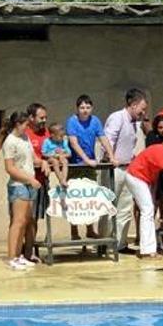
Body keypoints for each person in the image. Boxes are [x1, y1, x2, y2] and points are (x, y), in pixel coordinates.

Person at [102, 88, 147, 253]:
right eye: (142, 108)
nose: (143, 112)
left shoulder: (134, 123)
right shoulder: (117, 117)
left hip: (128, 168)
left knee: (125, 207)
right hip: (114, 169)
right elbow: (108, 139)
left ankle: (120, 243)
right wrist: (111, 157)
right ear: (133, 105)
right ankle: (105, 243)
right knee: (109, 206)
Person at [66, 94, 113, 240]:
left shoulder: (95, 121)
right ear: (77, 108)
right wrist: (86, 160)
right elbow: (74, 143)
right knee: (74, 198)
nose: (85, 110)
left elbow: (103, 138)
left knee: (90, 197)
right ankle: (74, 230)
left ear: (91, 108)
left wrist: (111, 155)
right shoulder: (72, 122)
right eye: (82, 107)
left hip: (90, 164)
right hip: (74, 164)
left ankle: (90, 229)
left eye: (87, 107)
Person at [2, 111, 42, 271]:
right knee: (17, 223)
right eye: (25, 124)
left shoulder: (24, 138)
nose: (28, 127)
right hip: (18, 186)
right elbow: (10, 168)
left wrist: (43, 162)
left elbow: (32, 158)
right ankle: (12, 257)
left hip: (29, 185)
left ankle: (19, 256)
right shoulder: (10, 142)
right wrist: (29, 179)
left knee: (25, 222)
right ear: (18, 124)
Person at [22, 103, 52, 262]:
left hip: (41, 182)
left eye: (45, 117)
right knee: (23, 219)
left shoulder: (47, 133)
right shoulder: (24, 133)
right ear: (31, 118)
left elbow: (51, 152)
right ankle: (21, 252)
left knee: (34, 219)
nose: (44, 121)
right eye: (41, 118)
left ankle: (29, 251)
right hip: (25, 183)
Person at [42, 123, 72, 188]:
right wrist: (53, 155)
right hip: (50, 158)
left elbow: (69, 153)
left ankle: (64, 179)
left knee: (65, 161)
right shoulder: (47, 141)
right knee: (55, 161)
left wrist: (63, 154)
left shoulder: (63, 141)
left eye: (63, 135)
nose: (62, 138)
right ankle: (60, 179)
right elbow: (43, 153)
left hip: (61, 157)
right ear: (52, 135)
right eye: (60, 136)